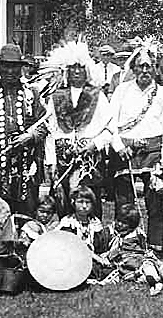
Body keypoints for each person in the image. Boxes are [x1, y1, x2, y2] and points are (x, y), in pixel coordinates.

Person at [108, 47, 163, 251]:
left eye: (149, 66)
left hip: (153, 152)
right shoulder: (121, 90)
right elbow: (110, 123)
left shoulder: (161, 93)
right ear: (133, 68)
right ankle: (124, 245)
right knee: (124, 202)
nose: (145, 70)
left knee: (154, 200)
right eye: (140, 66)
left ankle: (154, 246)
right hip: (124, 151)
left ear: (154, 68)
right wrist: (119, 147)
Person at [42, 41, 112, 218]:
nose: (77, 72)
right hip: (63, 160)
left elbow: (110, 128)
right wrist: (51, 161)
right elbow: (50, 131)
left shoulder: (97, 95)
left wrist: (94, 145)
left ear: (87, 70)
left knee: (89, 203)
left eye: (81, 68)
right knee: (65, 205)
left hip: (89, 160)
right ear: (66, 71)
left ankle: (92, 240)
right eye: (73, 68)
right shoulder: (57, 96)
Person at [0, 44, 47, 215]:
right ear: (0, 69)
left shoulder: (32, 93)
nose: (10, 71)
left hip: (26, 162)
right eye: (6, 66)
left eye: (14, 67)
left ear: (20, 69)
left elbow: (44, 123)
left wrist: (30, 136)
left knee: (27, 209)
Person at [103, 204, 163, 296]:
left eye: (124, 222)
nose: (119, 224)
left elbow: (143, 247)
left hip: (138, 256)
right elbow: (112, 250)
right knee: (135, 273)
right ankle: (155, 282)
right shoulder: (113, 232)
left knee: (147, 263)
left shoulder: (136, 233)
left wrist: (147, 253)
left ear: (132, 225)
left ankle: (156, 276)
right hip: (126, 259)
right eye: (118, 220)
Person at [55, 186, 114, 282]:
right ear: (73, 202)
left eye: (88, 202)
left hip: (92, 257)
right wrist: (95, 257)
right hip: (73, 256)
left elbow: (100, 245)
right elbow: (72, 245)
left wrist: (102, 256)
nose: (84, 206)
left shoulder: (95, 222)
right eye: (80, 202)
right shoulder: (68, 222)